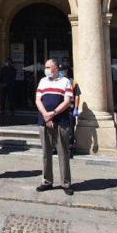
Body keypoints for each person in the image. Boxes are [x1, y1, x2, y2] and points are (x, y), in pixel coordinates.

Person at [35, 58, 73, 196]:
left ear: (56, 68)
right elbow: (38, 99)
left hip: (61, 121)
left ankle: (66, 183)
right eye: (45, 67)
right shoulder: (42, 81)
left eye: (48, 67)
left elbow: (67, 101)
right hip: (44, 120)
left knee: (63, 153)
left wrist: (53, 113)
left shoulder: (65, 81)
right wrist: (46, 115)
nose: (46, 69)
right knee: (46, 153)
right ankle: (47, 181)